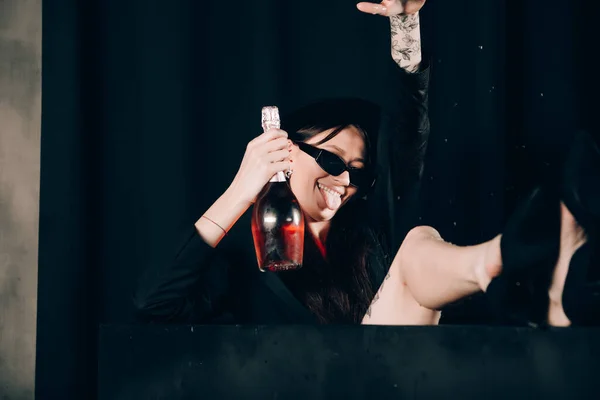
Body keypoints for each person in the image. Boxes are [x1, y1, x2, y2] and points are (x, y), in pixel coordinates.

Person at [133, 0, 600, 327]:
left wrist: (405, 29)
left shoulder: (366, 235)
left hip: (387, 373)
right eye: (333, 160)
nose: (345, 181)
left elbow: (407, 135)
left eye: (358, 172)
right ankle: (538, 266)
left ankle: (514, 257)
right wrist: (243, 188)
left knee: (418, 244)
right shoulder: (236, 255)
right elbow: (153, 304)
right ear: (282, 147)